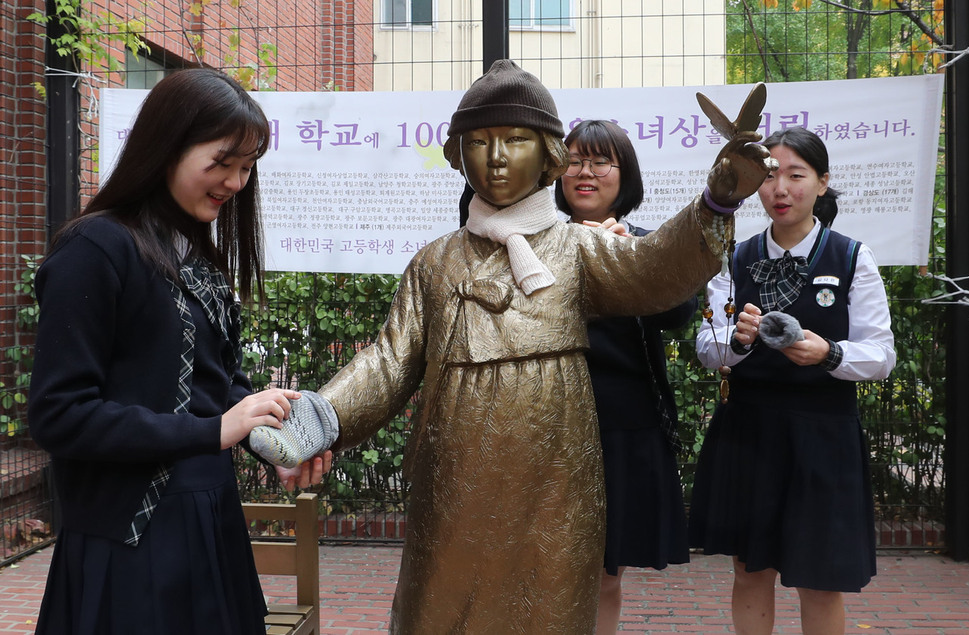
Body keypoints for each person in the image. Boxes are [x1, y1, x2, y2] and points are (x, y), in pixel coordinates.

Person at [250, 59, 773, 633]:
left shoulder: (577, 249)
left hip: (556, 477)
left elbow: (655, 270)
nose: (496, 157)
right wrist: (318, 419)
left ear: (548, 153)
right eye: (478, 142)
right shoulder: (435, 263)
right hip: (453, 479)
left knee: (547, 607)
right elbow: (387, 362)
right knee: (442, 606)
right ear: (458, 155)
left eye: (515, 140)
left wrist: (717, 202)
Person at [27, 68, 329, 635]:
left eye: (246, 168)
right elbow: (58, 415)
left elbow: (218, 387)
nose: (236, 182)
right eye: (222, 163)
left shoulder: (192, 252)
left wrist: (274, 442)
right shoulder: (95, 248)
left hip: (210, 523)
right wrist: (211, 431)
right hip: (130, 542)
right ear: (166, 145)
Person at [688, 126, 896, 635]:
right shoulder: (736, 257)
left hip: (823, 432)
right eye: (770, 176)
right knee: (750, 569)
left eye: (796, 176)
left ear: (822, 183)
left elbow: (881, 354)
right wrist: (737, 343)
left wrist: (829, 354)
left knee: (820, 578)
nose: (780, 189)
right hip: (750, 430)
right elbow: (707, 347)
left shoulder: (850, 258)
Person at [554, 119, 695, 634]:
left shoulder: (641, 243)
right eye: (574, 159)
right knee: (542, 565)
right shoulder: (531, 242)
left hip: (622, 427)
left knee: (605, 572)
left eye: (600, 162)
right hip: (546, 422)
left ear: (624, 174)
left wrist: (628, 260)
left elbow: (680, 313)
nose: (585, 172)